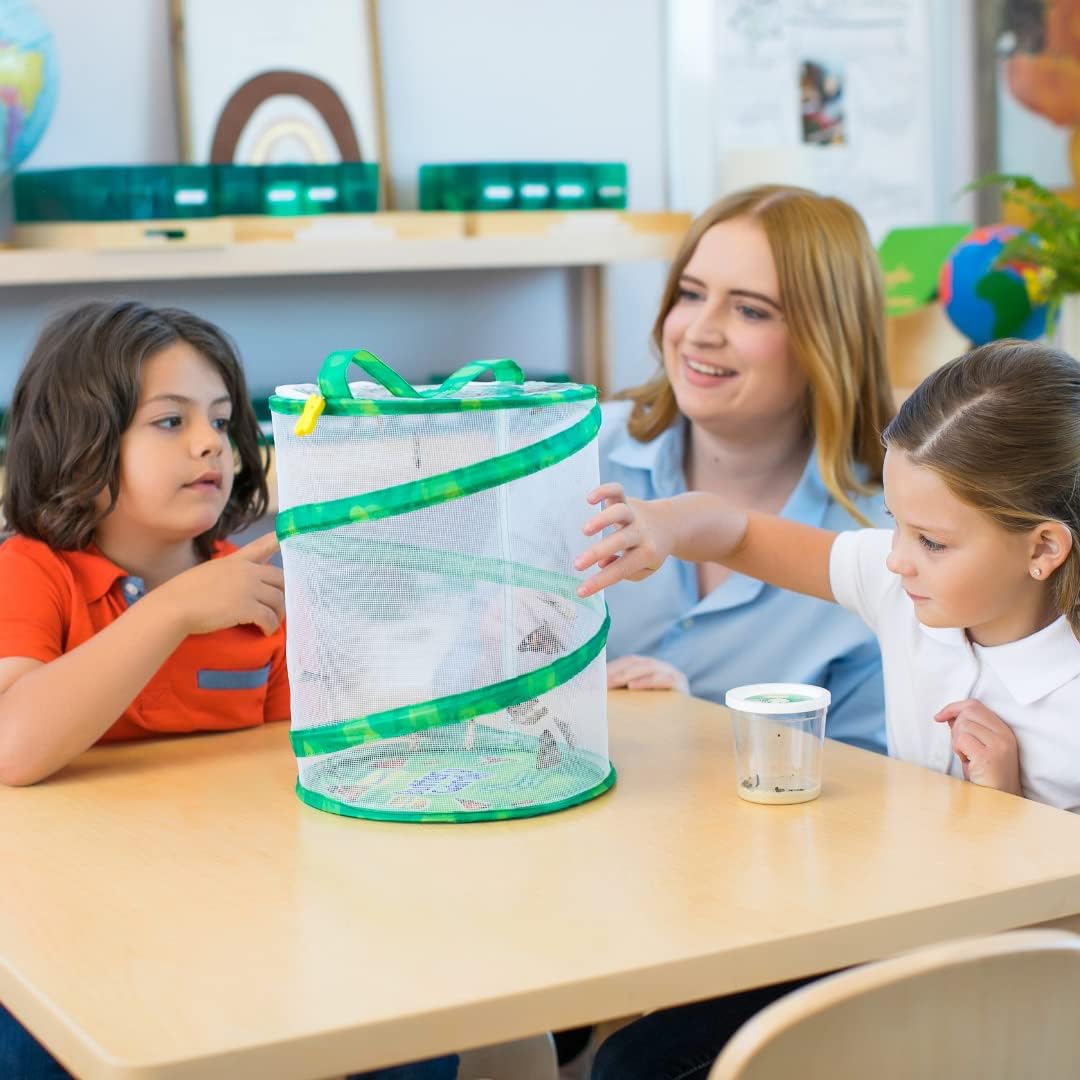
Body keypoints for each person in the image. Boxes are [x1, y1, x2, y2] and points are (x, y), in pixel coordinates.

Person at [577, 338, 1080, 1078]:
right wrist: (666, 528)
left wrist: (1005, 815)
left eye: (932, 541)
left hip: (1013, 1006)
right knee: (634, 1060)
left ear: (1044, 548)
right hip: (894, 944)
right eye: (898, 526)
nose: (898, 557)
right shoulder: (906, 593)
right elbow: (743, 531)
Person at [0, 300, 458, 1080]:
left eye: (221, 420)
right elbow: (15, 746)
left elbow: (300, 761)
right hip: (70, 931)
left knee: (411, 1035)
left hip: (234, 911)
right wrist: (176, 609)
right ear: (80, 441)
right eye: (170, 423)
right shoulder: (30, 571)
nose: (212, 442)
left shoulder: (262, 588)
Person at [600, 184, 892, 753]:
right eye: (690, 294)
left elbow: (877, 789)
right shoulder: (573, 455)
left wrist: (697, 727)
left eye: (751, 309)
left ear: (827, 339)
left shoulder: (891, 541)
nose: (700, 331)